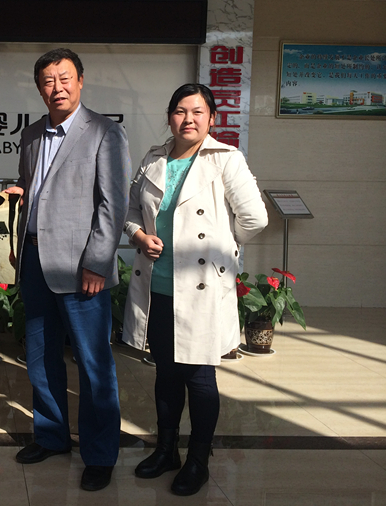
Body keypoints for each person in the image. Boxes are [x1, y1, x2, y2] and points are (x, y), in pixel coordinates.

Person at [123, 83, 268, 496]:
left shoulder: (225, 158)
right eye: (180, 111)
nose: (189, 119)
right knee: (166, 372)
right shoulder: (154, 158)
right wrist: (138, 235)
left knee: (200, 377)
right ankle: (166, 450)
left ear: (212, 119)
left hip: (202, 287)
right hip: (158, 285)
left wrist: (222, 247)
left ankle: (198, 460)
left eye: (198, 112)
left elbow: (254, 219)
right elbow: (130, 209)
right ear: (170, 117)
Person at [6, 48, 131, 492]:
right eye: (47, 81)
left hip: (82, 270)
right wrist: (17, 195)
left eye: (64, 78)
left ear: (80, 81)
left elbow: (113, 204)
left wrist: (98, 261)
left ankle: (100, 453)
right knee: (40, 358)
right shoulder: (31, 134)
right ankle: (52, 436)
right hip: (35, 261)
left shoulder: (104, 132)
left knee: (94, 365)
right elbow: (36, 188)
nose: (56, 88)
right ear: (39, 88)